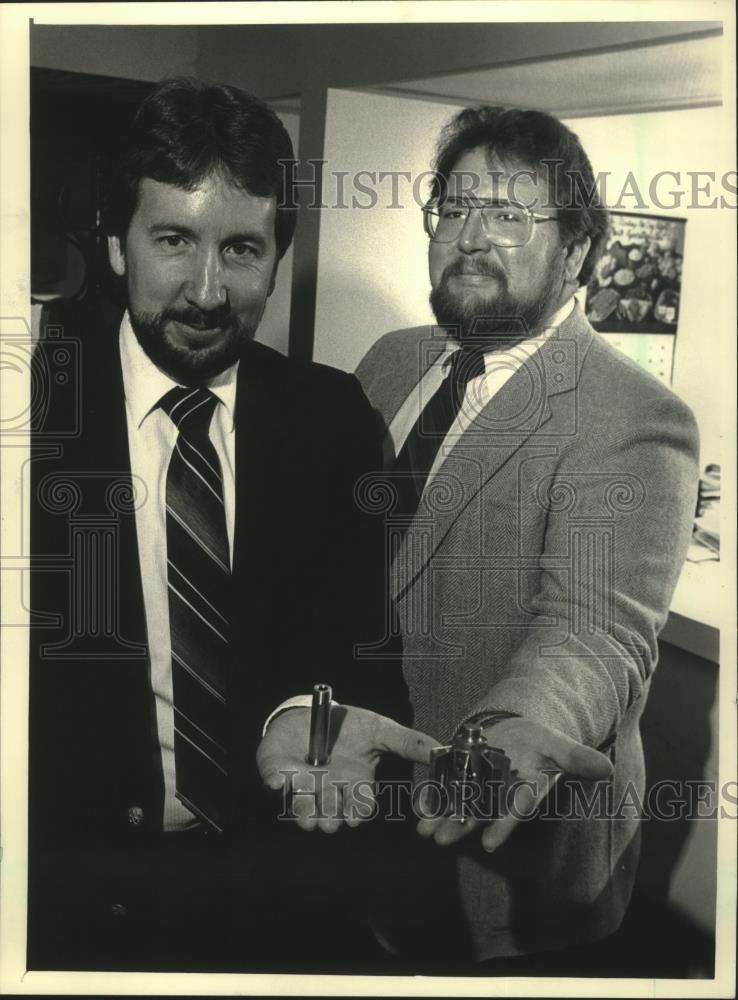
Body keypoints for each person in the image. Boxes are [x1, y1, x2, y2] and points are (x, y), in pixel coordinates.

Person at [27, 77, 428, 974]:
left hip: (271, 898)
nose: (208, 292)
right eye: (174, 240)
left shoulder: (331, 420)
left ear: (280, 256)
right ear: (117, 244)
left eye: (243, 249)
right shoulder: (27, 408)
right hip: (63, 905)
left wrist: (310, 719)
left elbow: (358, 649)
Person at [354, 106, 700, 972]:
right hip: (356, 818)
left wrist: (514, 728)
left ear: (577, 250)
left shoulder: (632, 415)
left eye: (510, 215)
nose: (471, 237)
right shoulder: (388, 360)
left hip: (504, 868)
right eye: (455, 206)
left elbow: (594, 629)